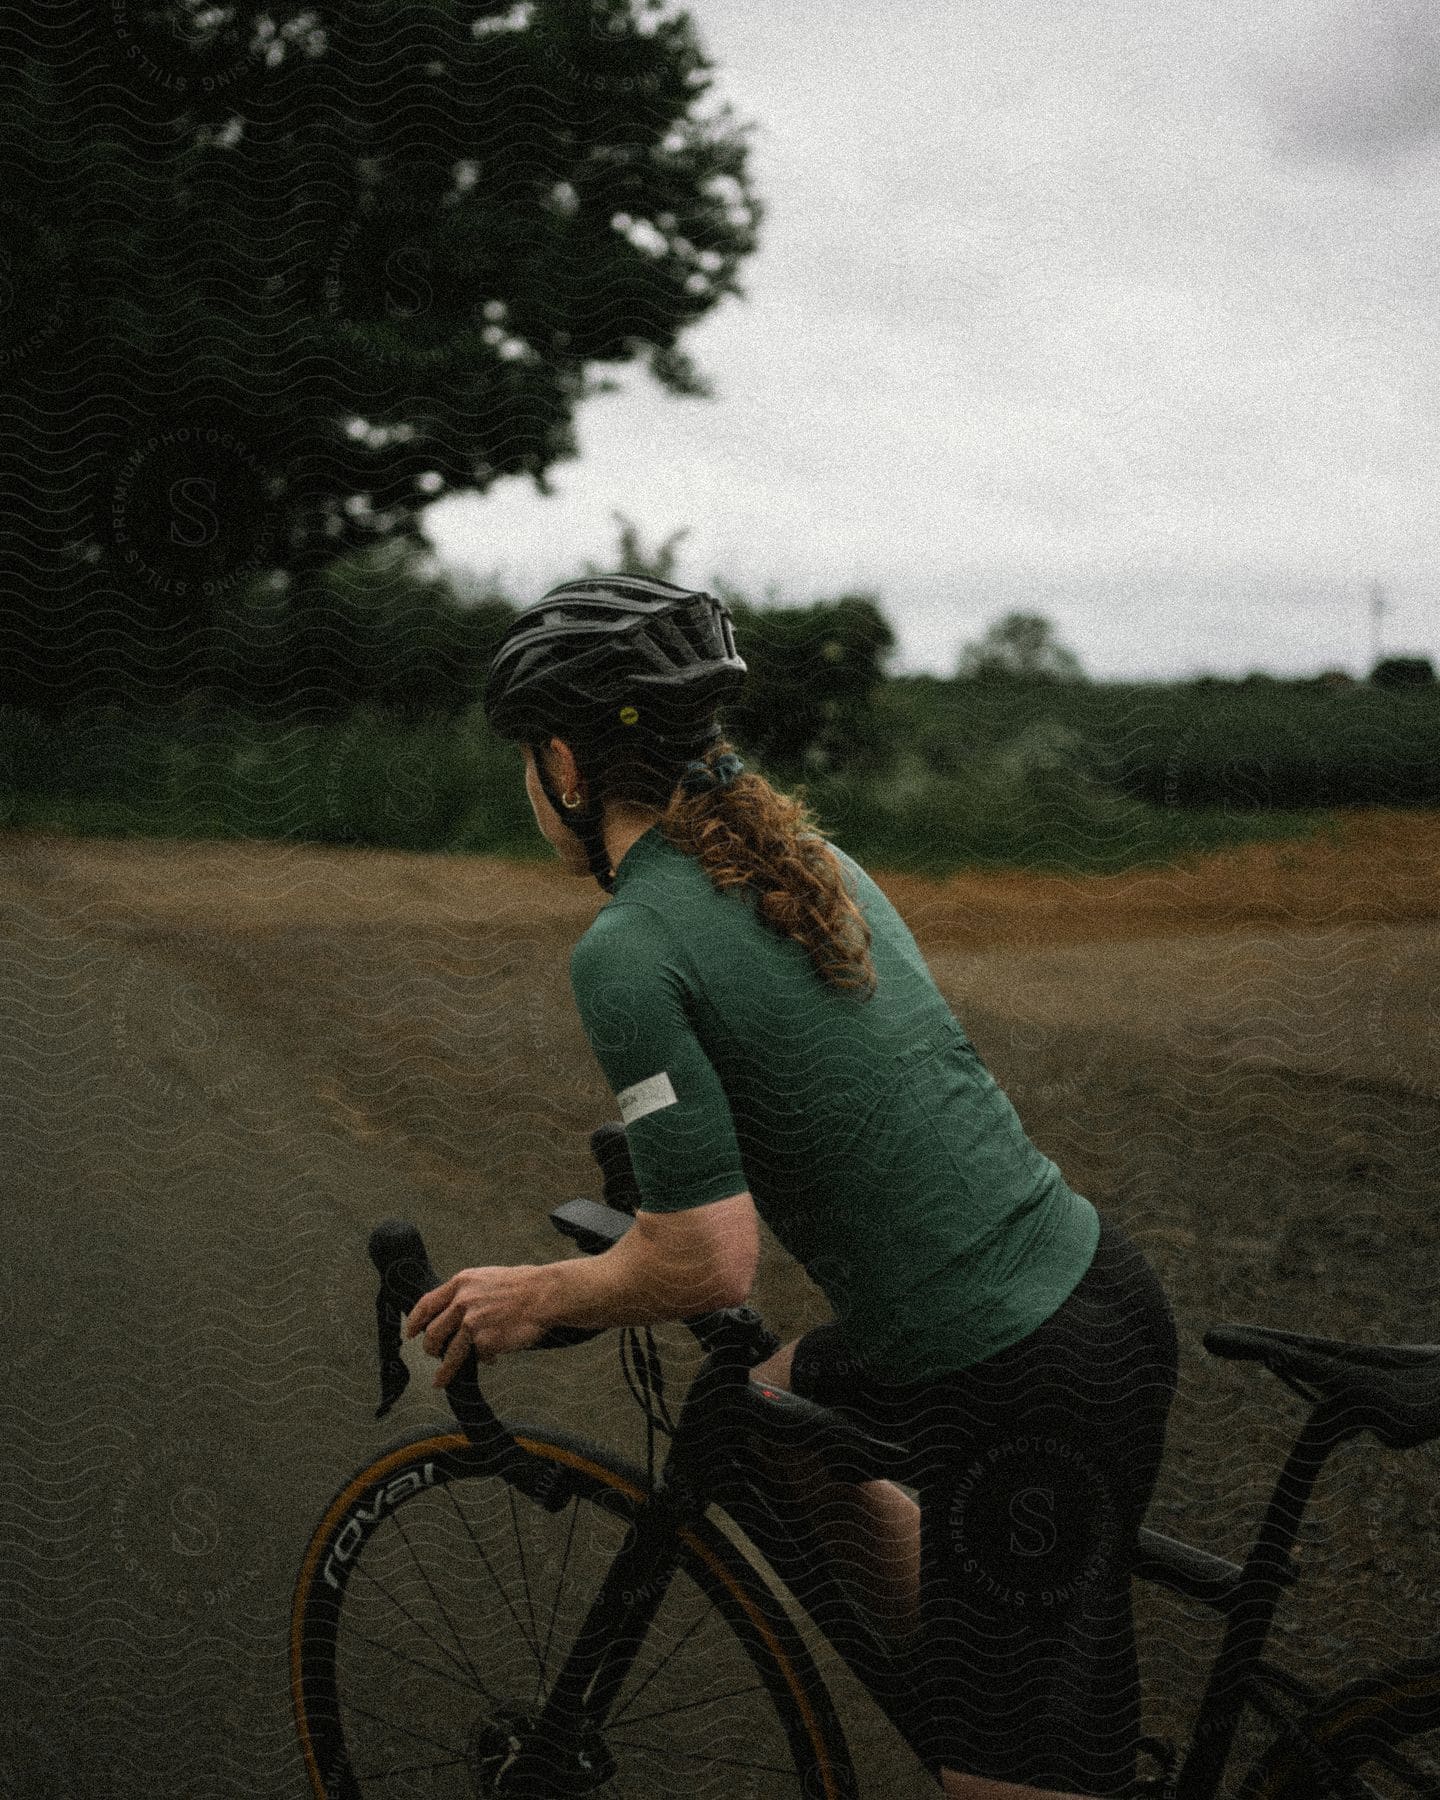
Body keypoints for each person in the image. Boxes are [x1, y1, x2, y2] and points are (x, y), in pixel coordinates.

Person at [406, 575, 1179, 1800]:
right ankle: (993, 1682)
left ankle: (1011, 1717)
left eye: (525, 761)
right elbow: (826, 1085)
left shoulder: (628, 945)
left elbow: (709, 1262)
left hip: (1019, 1383)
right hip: (1085, 1296)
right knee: (773, 1418)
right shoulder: (809, 860)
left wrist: (537, 1296)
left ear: (563, 763)